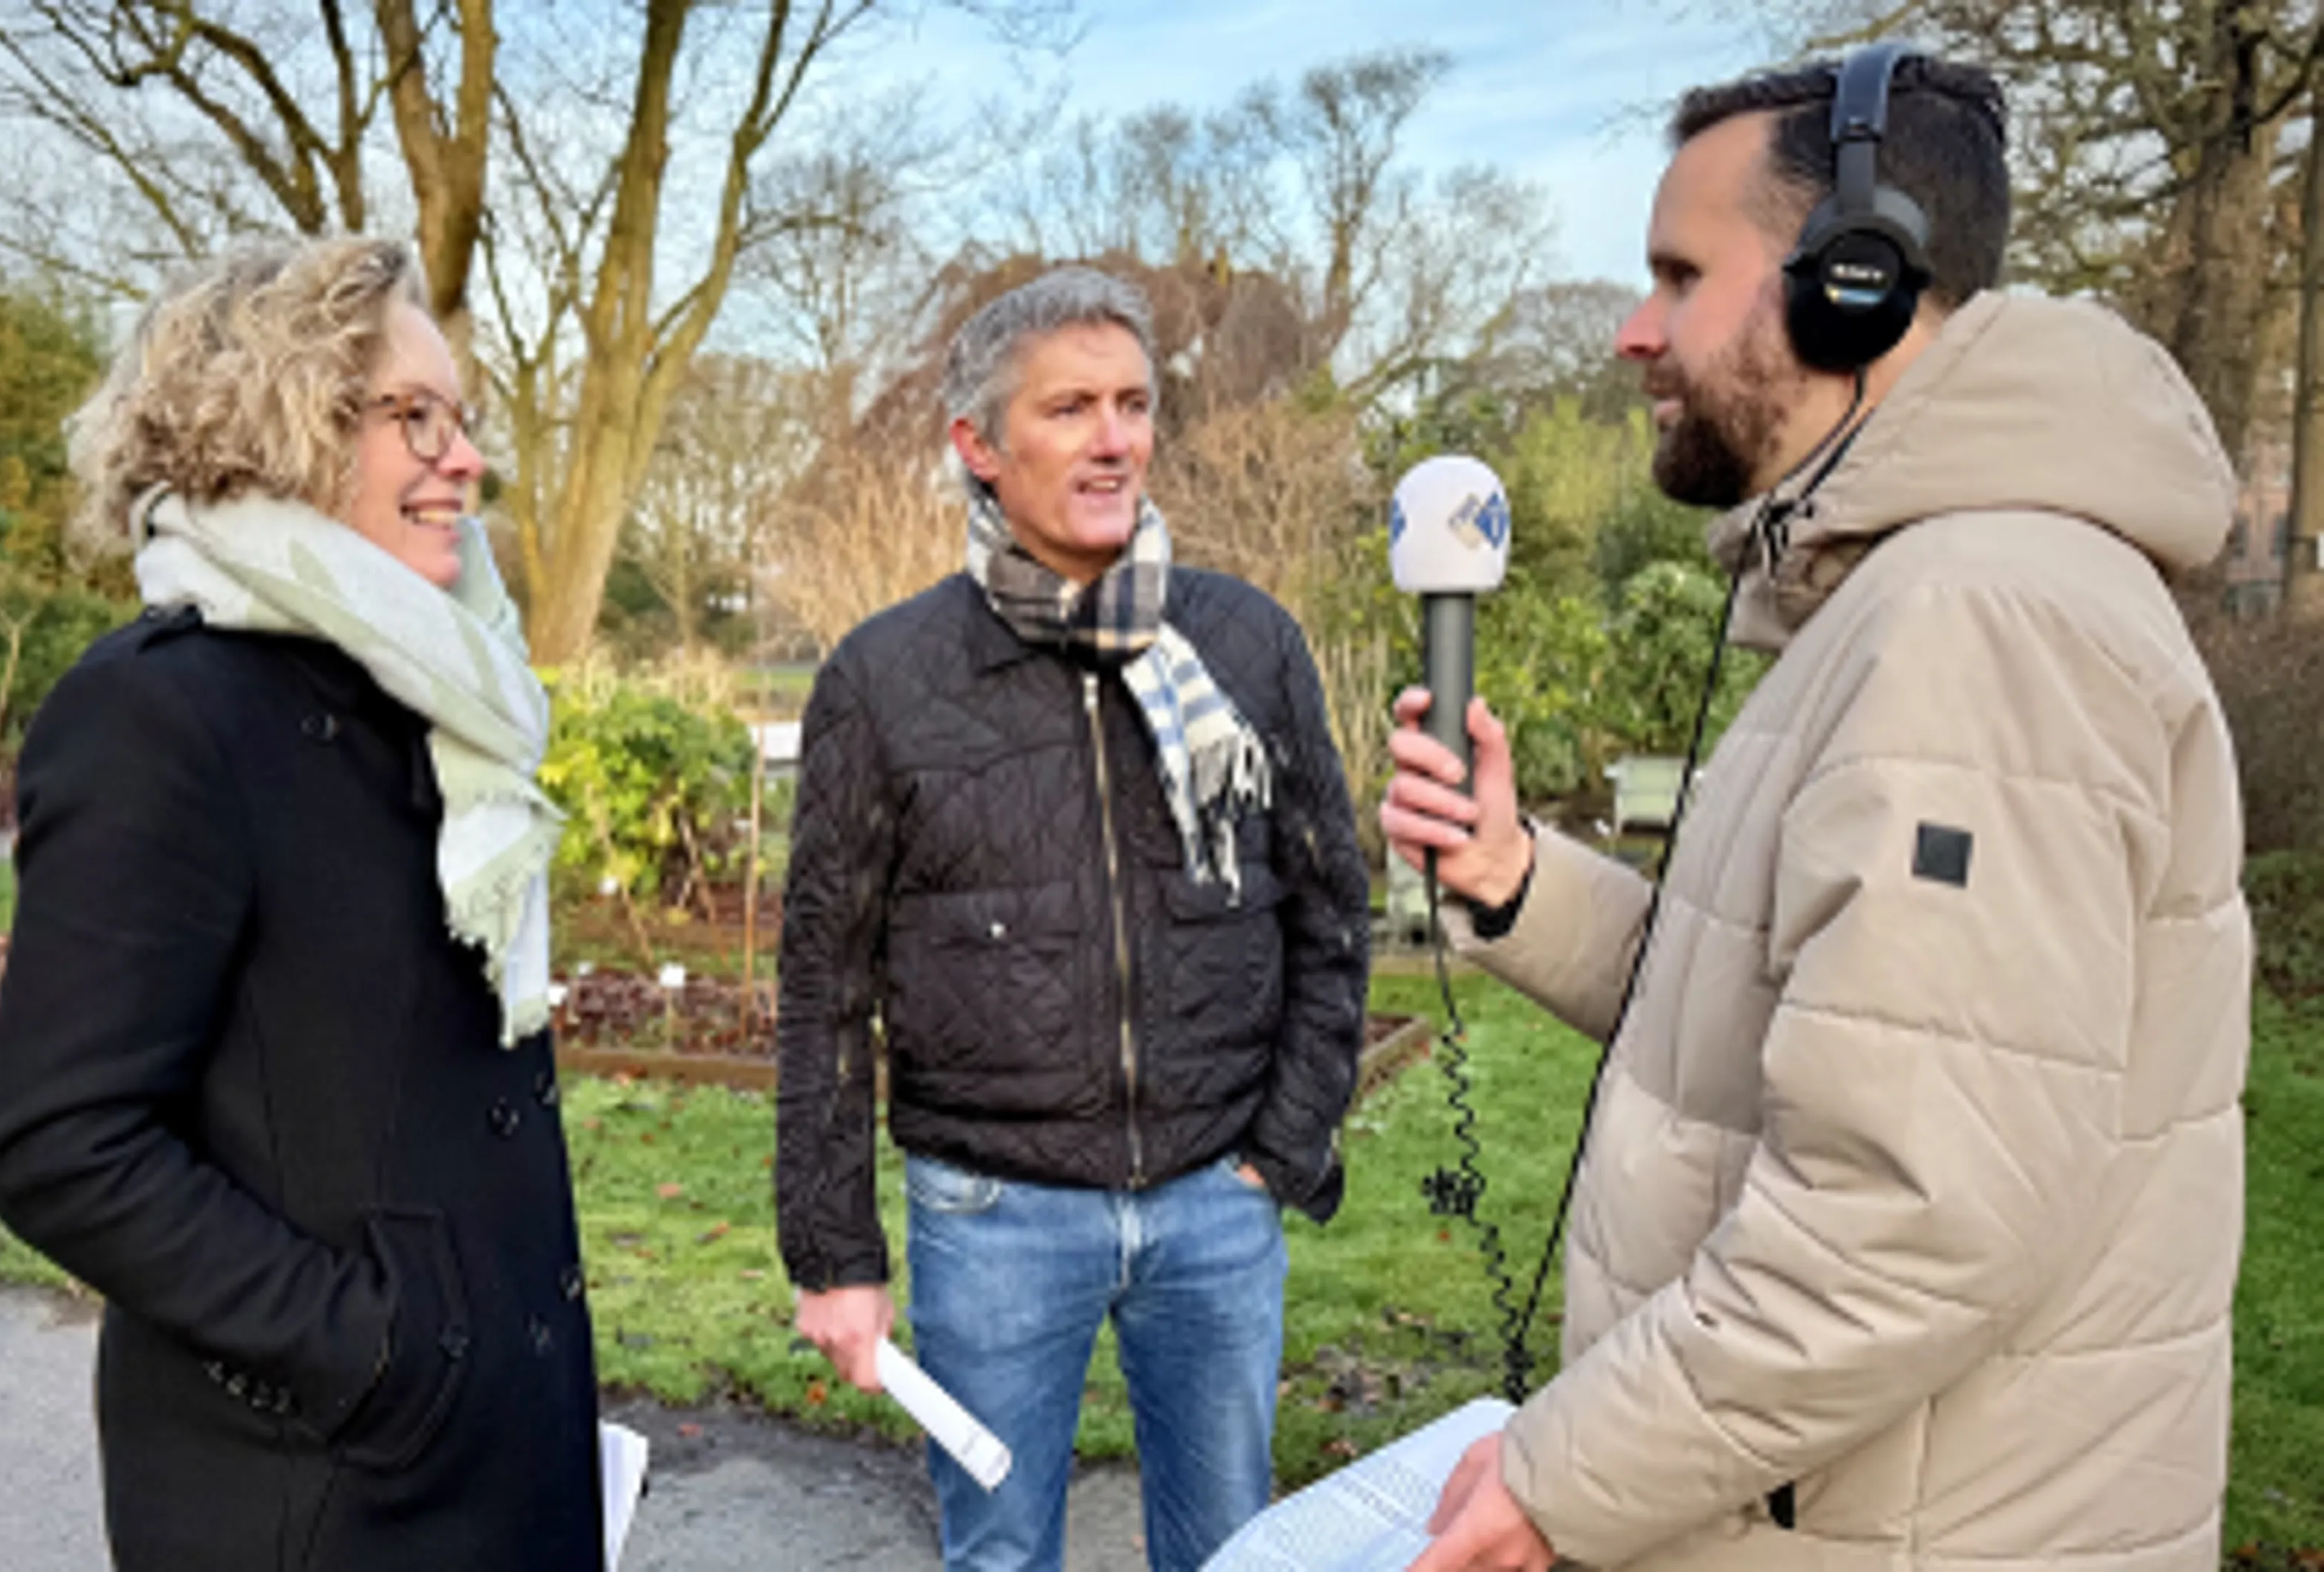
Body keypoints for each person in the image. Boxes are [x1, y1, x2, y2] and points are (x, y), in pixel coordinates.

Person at [1383, 48, 2251, 1572]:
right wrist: (1516, 874)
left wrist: (1562, 1475)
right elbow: (1812, 1011)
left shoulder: (1982, 618)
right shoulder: (1904, 596)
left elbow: (1910, 1215)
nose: (1632, 331)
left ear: (1855, 282)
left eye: (1677, 274)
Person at [0, 237, 601, 1570]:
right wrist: (371, 1349)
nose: (464, 461)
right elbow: (64, 1142)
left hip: (496, 1457)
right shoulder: (157, 714)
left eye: (463, 421)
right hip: (323, 1496)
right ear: (274, 419)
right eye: (412, 418)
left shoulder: (432, 697)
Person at [774, 265, 1376, 1572]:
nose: (1114, 439)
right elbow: (825, 983)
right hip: (994, 1215)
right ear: (978, 448)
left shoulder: (1248, 644)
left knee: (1232, 1552)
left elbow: (1333, 908)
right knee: (998, 1559)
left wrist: (1287, 1138)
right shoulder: (885, 681)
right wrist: (833, 1253)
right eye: (1070, 410)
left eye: (1134, 404)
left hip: (1221, 1197)